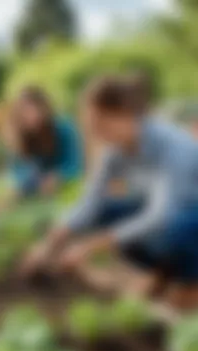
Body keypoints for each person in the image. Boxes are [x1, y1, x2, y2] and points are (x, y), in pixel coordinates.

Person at [21, 75, 198, 310]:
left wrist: (92, 246)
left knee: (175, 227)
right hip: (167, 216)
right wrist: (48, 244)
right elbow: (91, 201)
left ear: (125, 115)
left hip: (184, 216)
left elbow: (160, 216)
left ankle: (191, 284)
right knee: (106, 211)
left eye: (100, 125)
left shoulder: (175, 147)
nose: (97, 135)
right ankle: (162, 273)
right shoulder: (114, 150)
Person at [4, 87, 83, 197]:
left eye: (34, 110)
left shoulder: (64, 127)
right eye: (25, 112)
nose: (31, 116)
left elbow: (77, 162)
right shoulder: (18, 138)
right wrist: (34, 182)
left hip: (68, 184)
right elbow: (18, 173)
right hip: (38, 188)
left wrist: (60, 176)